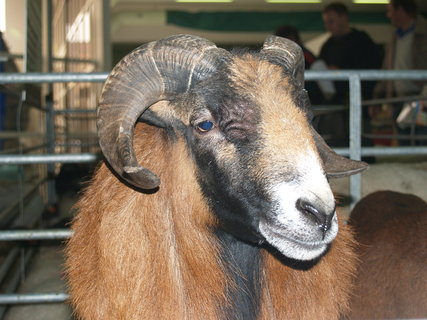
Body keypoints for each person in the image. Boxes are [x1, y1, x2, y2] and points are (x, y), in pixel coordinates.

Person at [372, 0, 427, 145]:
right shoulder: (395, 36)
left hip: (422, 99)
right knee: (404, 143)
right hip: (398, 100)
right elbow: (386, 68)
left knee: (422, 141)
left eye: (390, 11)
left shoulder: (424, 33)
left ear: (401, 10)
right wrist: (378, 96)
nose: (388, 15)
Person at [320, 2, 382, 103]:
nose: (327, 26)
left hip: (360, 98)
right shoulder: (327, 45)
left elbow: (373, 67)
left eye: (331, 21)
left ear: (344, 18)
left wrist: (341, 72)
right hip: (335, 100)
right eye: (325, 23)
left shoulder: (362, 40)